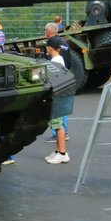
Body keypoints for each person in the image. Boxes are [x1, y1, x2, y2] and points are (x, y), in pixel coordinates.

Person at [44, 34, 72, 164]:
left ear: (50, 48)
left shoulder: (54, 62)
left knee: (58, 125)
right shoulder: (60, 58)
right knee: (57, 125)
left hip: (57, 96)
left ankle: (62, 152)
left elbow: (53, 80)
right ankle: (58, 150)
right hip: (61, 94)